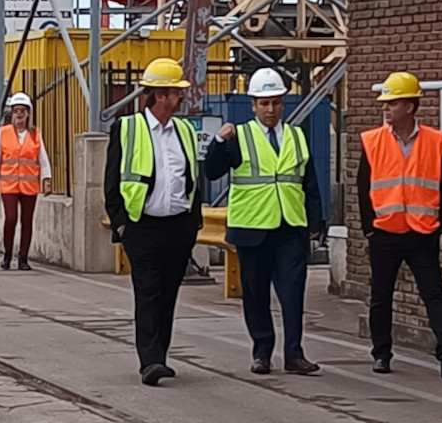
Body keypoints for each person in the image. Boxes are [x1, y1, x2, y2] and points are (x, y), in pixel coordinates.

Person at [206, 68, 323, 376]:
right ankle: (262, 353)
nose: (271, 109)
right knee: (256, 295)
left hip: (290, 227)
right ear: (254, 105)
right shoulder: (240, 136)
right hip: (252, 228)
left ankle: (294, 354)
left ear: (283, 103)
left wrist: (315, 222)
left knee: (293, 293)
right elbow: (212, 171)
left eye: (276, 102)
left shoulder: (297, 136)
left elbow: (308, 181)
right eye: (264, 103)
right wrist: (218, 141)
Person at [104, 57, 201, 386]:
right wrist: (121, 224)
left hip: (178, 226)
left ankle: (161, 354)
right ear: (160, 95)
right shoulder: (127, 128)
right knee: (147, 290)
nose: (181, 97)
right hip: (141, 226)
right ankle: (150, 361)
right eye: (176, 92)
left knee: (168, 293)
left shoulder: (185, 131)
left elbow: (194, 177)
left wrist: (193, 224)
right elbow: (111, 180)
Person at [358, 71, 442, 379]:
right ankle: (381, 354)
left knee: (434, 293)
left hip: (422, 232)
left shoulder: (434, 141)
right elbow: (363, 187)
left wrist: (440, 226)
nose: (386, 108)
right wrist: (369, 229)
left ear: (410, 106)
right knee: (381, 297)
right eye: (385, 103)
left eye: (392, 103)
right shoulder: (372, 141)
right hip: (385, 231)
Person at [0, 92, 52, 271]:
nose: (18, 114)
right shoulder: (4, 132)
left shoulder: (35, 134)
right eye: (16, 111)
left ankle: (23, 257)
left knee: (27, 221)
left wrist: (47, 179)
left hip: (29, 185)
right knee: (10, 219)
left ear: (28, 113)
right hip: (8, 185)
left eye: (22, 111)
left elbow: (43, 158)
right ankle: (7, 253)